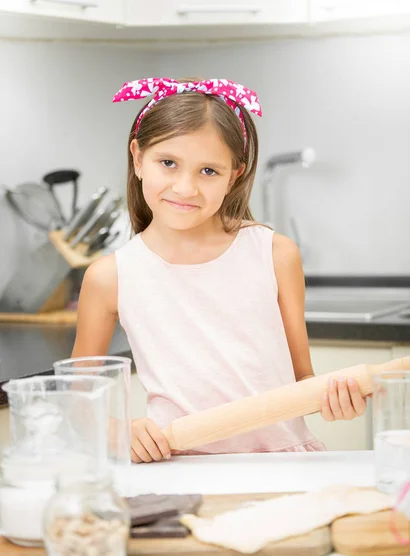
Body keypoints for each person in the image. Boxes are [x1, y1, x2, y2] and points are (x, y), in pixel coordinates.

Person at [72, 77, 367, 463]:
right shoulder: (111, 276)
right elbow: (75, 400)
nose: (185, 187)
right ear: (138, 158)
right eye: (168, 163)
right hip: (176, 465)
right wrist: (117, 429)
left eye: (208, 171)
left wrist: (333, 398)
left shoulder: (275, 254)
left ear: (235, 175)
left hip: (282, 463)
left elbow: (302, 381)